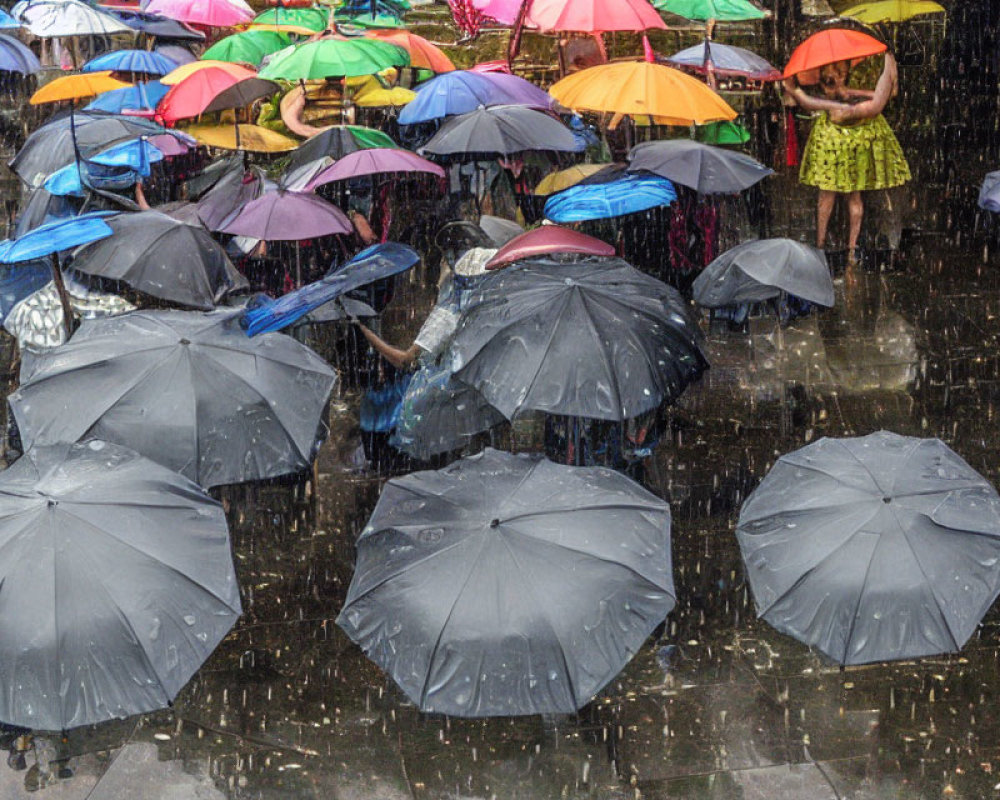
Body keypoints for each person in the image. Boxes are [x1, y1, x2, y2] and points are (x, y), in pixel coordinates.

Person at [784, 52, 910, 264]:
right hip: (856, 133)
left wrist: (796, 91)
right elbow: (887, 96)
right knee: (850, 195)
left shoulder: (858, 67)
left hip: (838, 133)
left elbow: (823, 105)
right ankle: (849, 248)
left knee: (830, 195)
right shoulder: (880, 60)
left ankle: (824, 245)